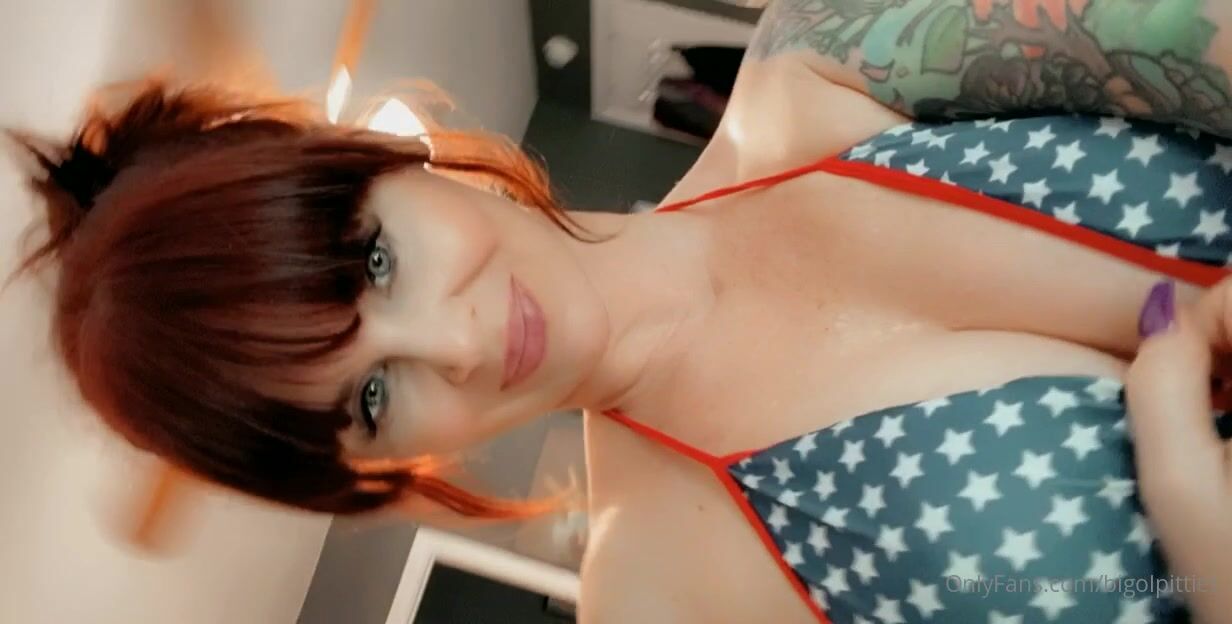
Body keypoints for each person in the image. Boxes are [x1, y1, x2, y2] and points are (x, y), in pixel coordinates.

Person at [9, 1, 1232, 622]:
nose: (460, 344)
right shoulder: (658, 601)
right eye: (371, 397)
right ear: (373, 471)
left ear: (385, 156)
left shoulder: (827, 53)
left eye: (374, 261)